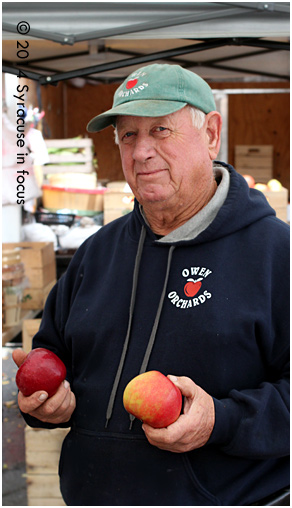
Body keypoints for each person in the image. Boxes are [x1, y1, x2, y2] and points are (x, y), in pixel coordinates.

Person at [13, 63, 289, 506]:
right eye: (128, 135)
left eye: (161, 130)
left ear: (212, 133)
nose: (141, 152)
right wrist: (47, 404)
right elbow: (53, 354)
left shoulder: (277, 256)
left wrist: (221, 419)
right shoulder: (95, 254)